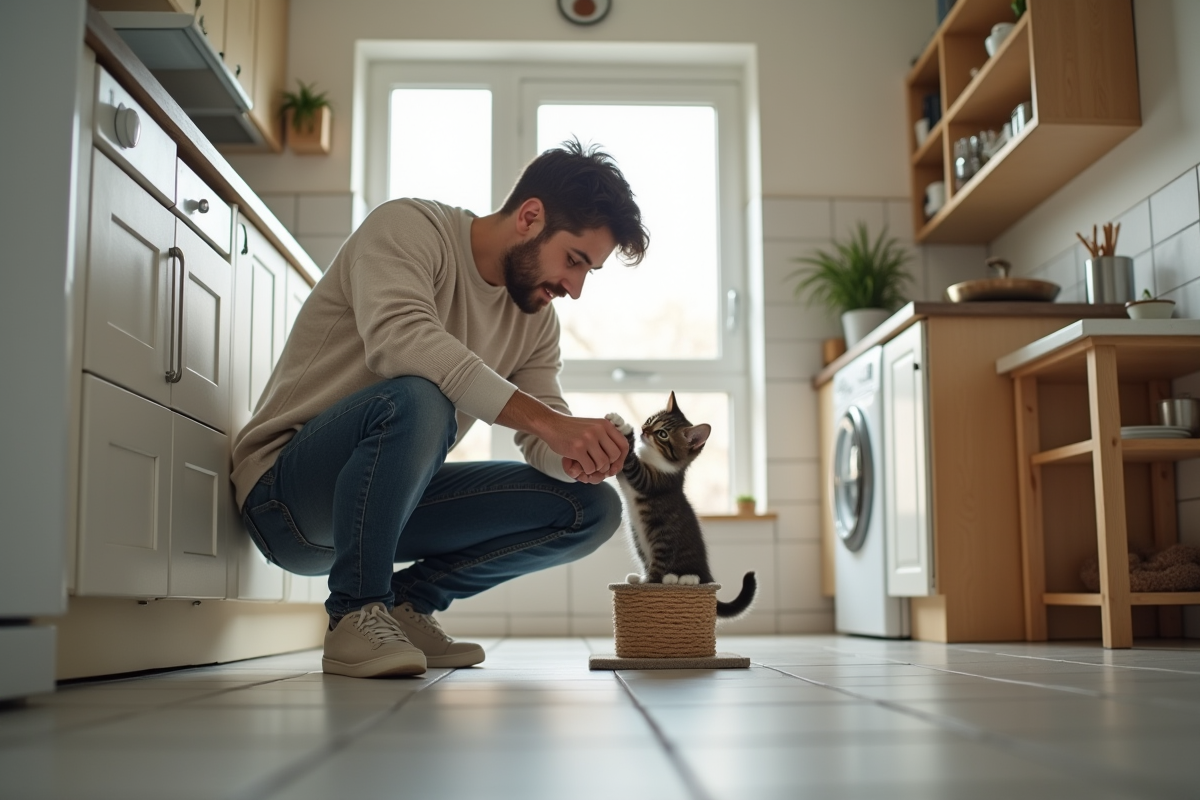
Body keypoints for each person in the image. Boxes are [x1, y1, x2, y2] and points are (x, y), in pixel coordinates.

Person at [231, 139, 649, 678]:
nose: (574, 288)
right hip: (286, 500)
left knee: (592, 510)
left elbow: (541, 428)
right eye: (574, 260)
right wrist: (552, 424)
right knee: (421, 396)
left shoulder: (536, 319)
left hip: (384, 504)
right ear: (529, 216)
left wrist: (573, 457)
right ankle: (356, 612)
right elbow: (401, 342)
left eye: (588, 271)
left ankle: (404, 606)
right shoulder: (408, 228)